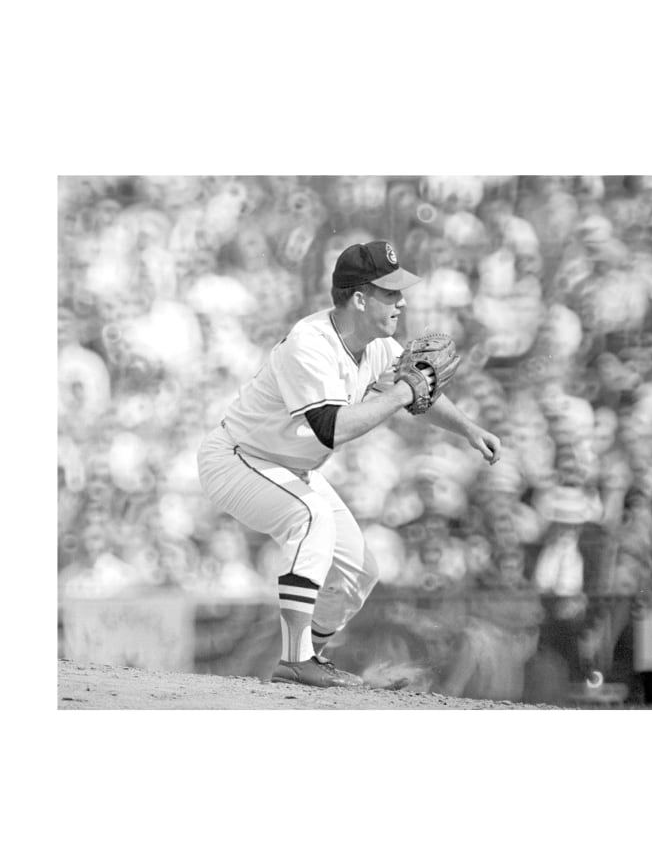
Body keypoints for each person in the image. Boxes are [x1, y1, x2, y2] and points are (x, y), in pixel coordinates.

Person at [196, 239, 502, 687]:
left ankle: (307, 659)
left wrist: (469, 429)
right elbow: (332, 428)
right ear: (360, 298)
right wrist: (402, 392)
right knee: (310, 516)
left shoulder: (376, 344)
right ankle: (296, 659)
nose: (401, 301)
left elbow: (418, 392)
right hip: (237, 459)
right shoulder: (310, 343)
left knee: (361, 574)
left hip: (287, 467)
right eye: (390, 292)